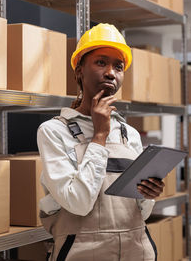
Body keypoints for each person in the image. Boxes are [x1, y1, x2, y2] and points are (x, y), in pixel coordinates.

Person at [37, 23, 164, 261]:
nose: (110, 73)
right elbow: (78, 203)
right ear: (79, 71)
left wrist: (148, 194)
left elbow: (141, 214)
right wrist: (99, 136)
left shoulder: (130, 134)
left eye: (118, 66)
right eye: (101, 62)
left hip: (136, 252)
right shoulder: (54, 131)